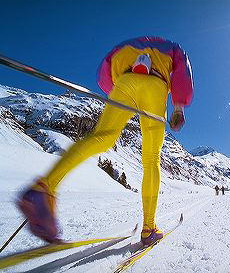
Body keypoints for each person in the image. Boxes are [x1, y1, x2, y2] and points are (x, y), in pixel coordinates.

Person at [17, 36, 194, 246]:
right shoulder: (173, 47)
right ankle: (148, 228)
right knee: (151, 157)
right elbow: (182, 72)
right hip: (155, 85)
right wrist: (178, 107)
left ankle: (44, 187)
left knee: (102, 137)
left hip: (124, 83)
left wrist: (120, 91)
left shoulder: (124, 46)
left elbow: (104, 76)